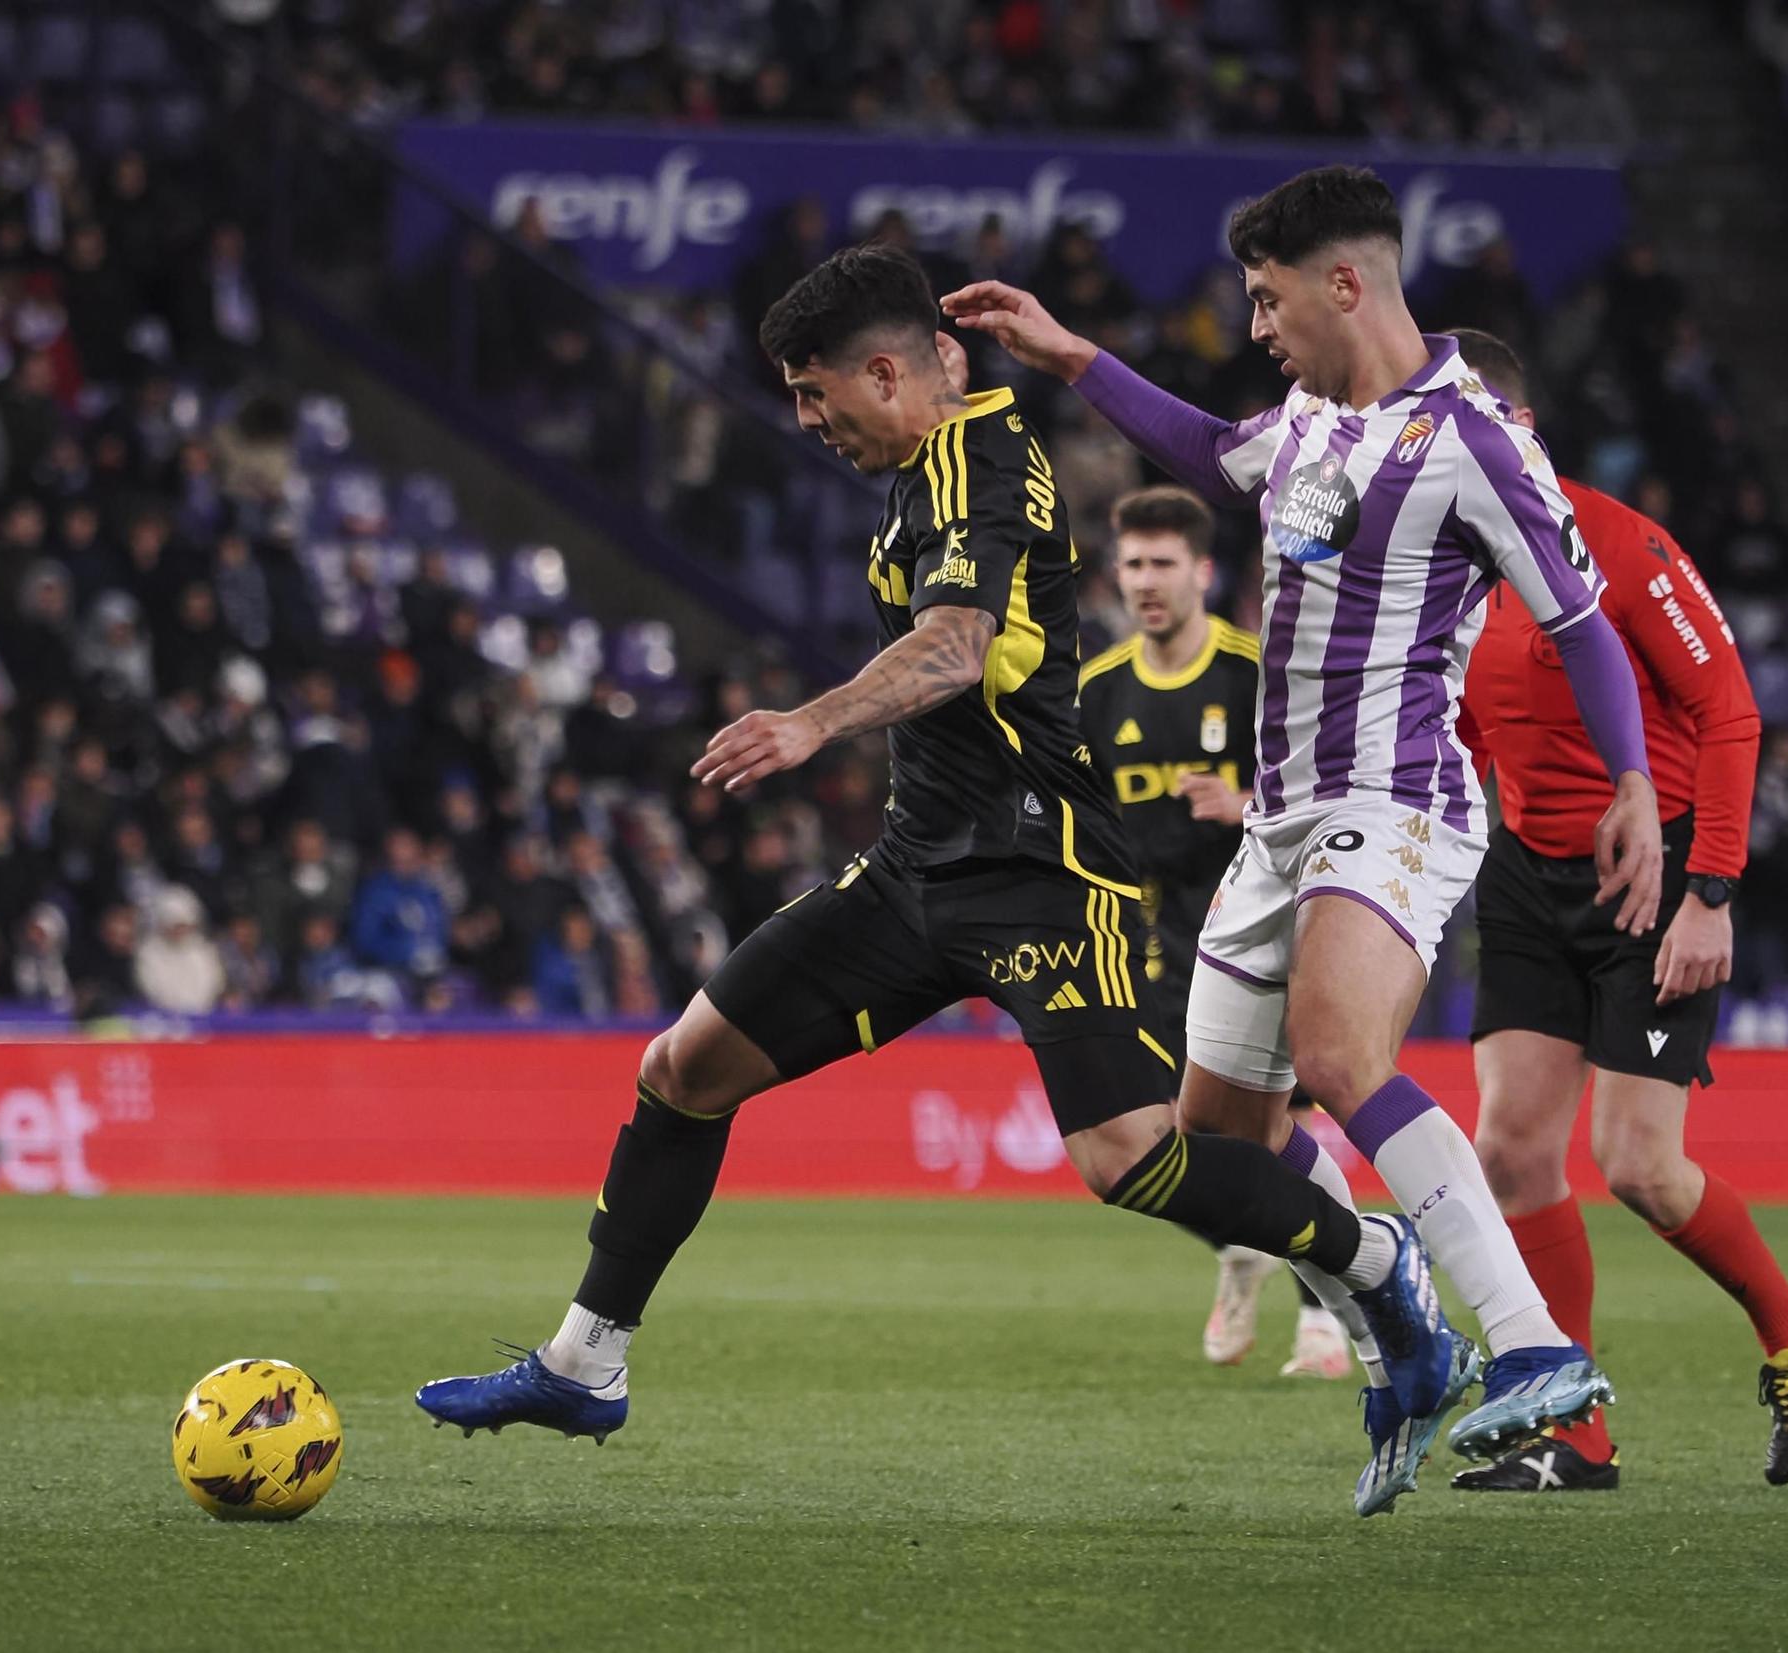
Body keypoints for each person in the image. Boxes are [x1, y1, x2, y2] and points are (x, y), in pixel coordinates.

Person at [416, 243, 1466, 1513]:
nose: (810, 423)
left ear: (887, 372)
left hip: (1040, 869)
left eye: (816, 395)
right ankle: (585, 1364)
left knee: (1132, 1158)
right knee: (681, 1071)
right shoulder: (920, 468)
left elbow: (956, 649)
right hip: (916, 870)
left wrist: (810, 721)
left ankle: (1372, 1254)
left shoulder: (976, 463)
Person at [944, 164, 1663, 1514]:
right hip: (1276, 828)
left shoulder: (1476, 436)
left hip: (1396, 802)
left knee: (1341, 1055)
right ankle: (1394, 1296)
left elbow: (1576, 618)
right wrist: (1072, 354)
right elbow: (1211, 450)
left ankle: (1536, 1350)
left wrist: (1631, 777)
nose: (1258, 327)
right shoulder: (1310, 426)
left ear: (1346, 282)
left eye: (1270, 301)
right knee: (1214, 1152)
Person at [1444, 328, 1788, 1493]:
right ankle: (1572, 1433)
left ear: (1507, 427)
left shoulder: (1619, 545)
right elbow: (1468, 727)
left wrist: (1709, 892)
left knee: (1637, 1166)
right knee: (1510, 1150)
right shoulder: (1449, 565)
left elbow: (1727, 713)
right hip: (1523, 871)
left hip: (1651, 874)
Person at [1077, 484, 1346, 1379]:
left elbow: (1330, 793)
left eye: (1163, 564)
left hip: (1258, 933)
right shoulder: (1096, 692)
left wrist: (1247, 806)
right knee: (1153, 1144)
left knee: (1279, 1124)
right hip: (1147, 948)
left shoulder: (1252, 675)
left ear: (1202, 570)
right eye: (1132, 565)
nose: (1146, 582)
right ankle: (1239, 1250)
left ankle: (1324, 1320)